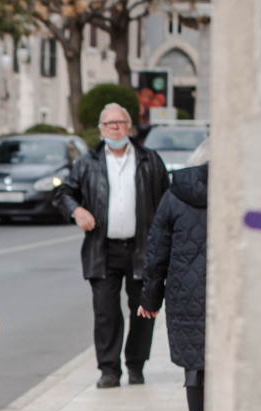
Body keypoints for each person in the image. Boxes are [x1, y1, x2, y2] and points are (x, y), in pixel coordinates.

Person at [55, 103, 170, 388]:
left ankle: (136, 365)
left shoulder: (149, 160)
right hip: (102, 249)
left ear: (129, 127)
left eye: (120, 122)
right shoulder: (87, 162)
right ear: (101, 129)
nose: (115, 128)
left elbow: (166, 201)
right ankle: (109, 370)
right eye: (109, 123)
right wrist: (76, 210)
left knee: (143, 309)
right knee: (106, 312)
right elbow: (64, 193)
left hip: (142, 249)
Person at [138, 139, 210, 411]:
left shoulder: (175, 194)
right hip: (231, 294)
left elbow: (157, 252)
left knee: (195, 366)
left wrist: (150, 300)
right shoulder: (243, 190)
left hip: (186, 293)